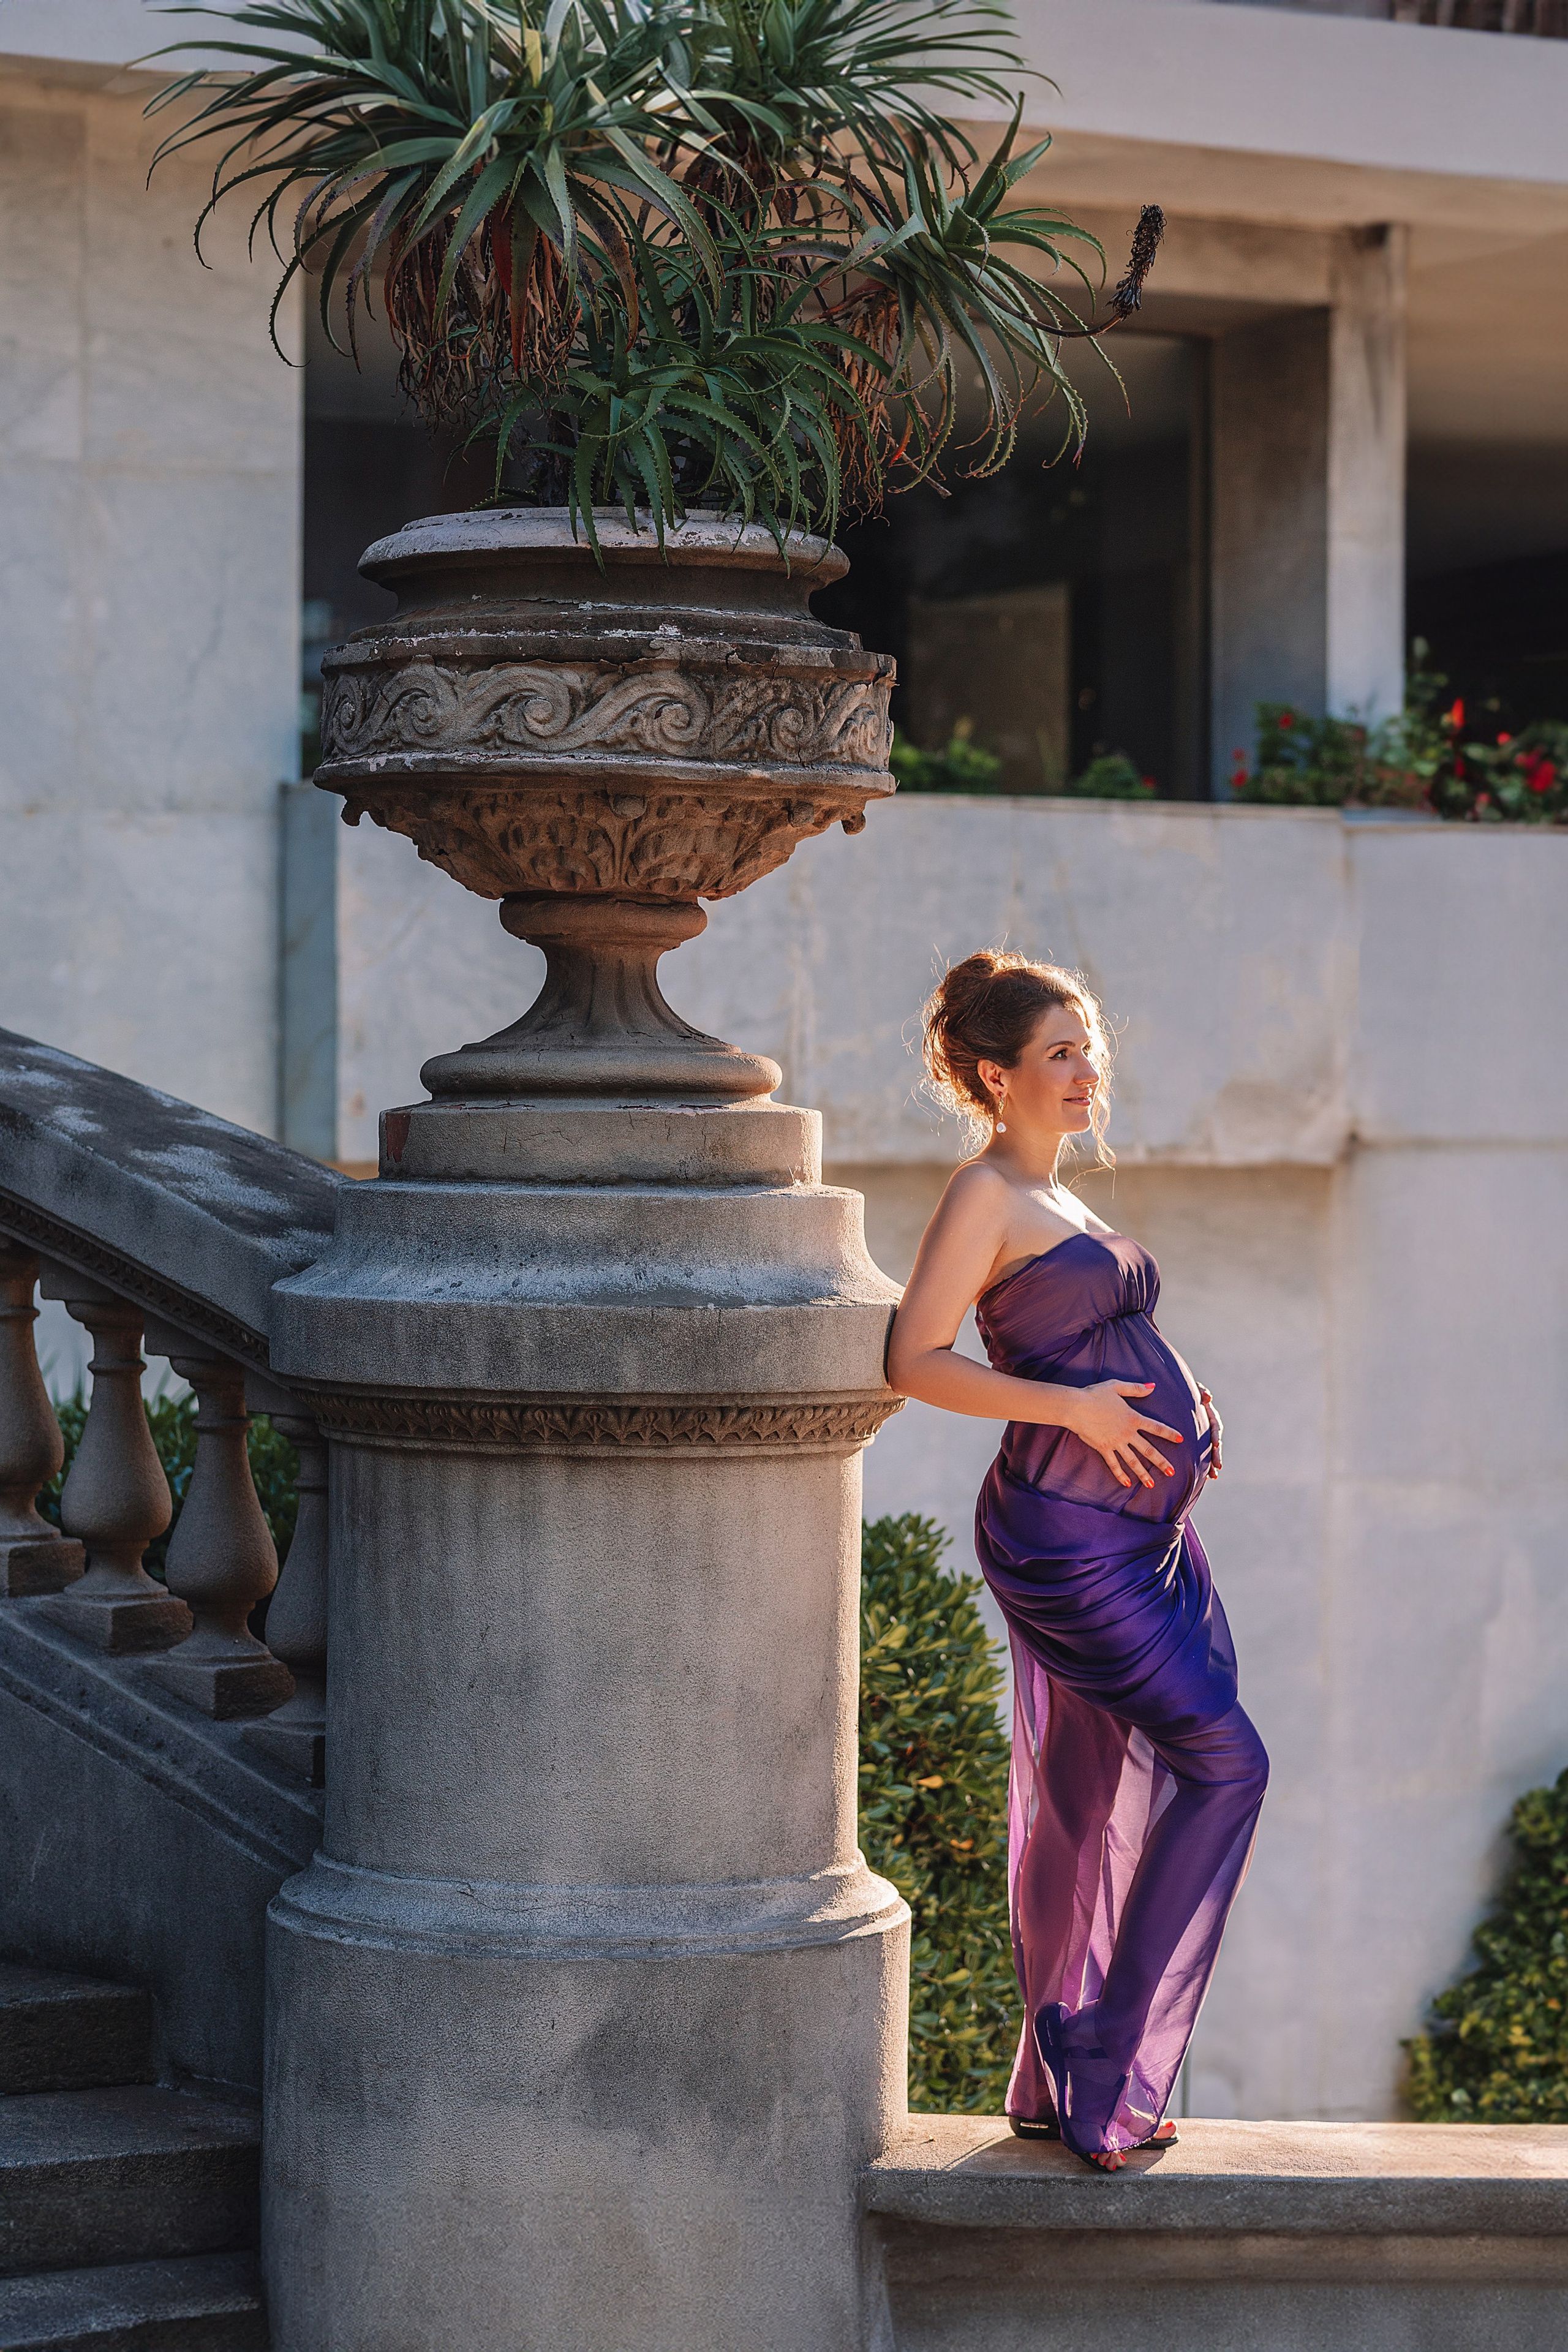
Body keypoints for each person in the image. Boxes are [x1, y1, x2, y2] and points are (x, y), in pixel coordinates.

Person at [886, 951, 1268, 2170]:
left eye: (1085, 1045)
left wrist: (1182, 1394)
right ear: (994, 1077)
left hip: (1140, 1538)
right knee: (1224, 1762)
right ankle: (1103, 2052)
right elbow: (912, 1359)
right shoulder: (983, 1197)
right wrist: (1081, 1416)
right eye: (1057, 1052)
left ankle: (1055, 2074)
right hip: (1067, 1544)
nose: (1082, 1068)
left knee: (1093, 1797)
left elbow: (1094, 1338)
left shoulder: (1061, 1200)